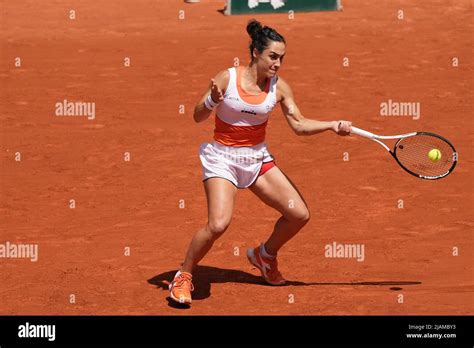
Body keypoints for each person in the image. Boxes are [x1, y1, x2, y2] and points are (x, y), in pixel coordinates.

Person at [168, 19, 352, 305]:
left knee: (299, 215)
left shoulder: (279, 88)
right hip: (223, 160)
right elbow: (197, 116)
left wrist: (331, 125)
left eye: (282, 58)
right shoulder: (227, 78)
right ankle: (184, 275)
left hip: (256, 160)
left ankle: (265, 255)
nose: (278, 64)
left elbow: (300, 125)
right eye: (273, 56)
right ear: (256, 52)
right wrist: (211, 102)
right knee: (218, 225)